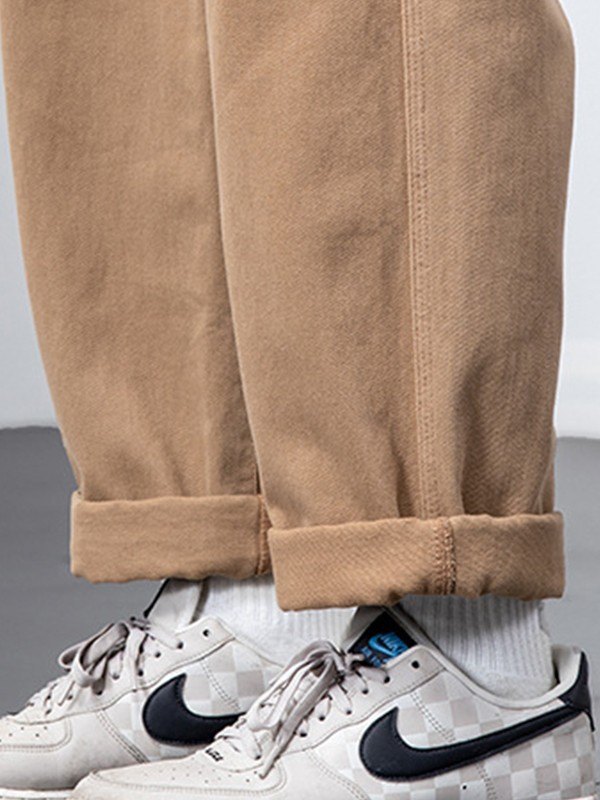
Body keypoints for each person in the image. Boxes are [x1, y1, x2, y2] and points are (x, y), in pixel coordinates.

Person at [0, 1, 595, 799]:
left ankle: (472, 667)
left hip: (461, 642)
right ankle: (248, 616)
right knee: (126, 36)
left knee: (356, 30)